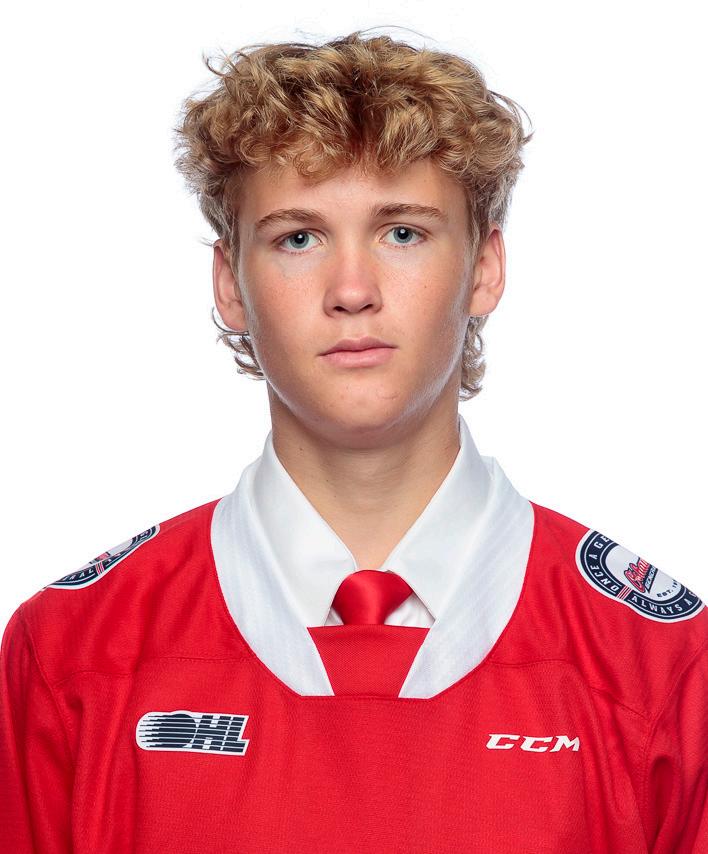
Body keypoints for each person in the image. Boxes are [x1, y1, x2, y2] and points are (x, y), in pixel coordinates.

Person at [1, 28, 705, 854]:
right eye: (298, 237)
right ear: (230, 284)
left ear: (484, 268)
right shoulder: (71, 652)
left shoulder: (658, 660)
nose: (352, 290)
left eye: (402, 232)